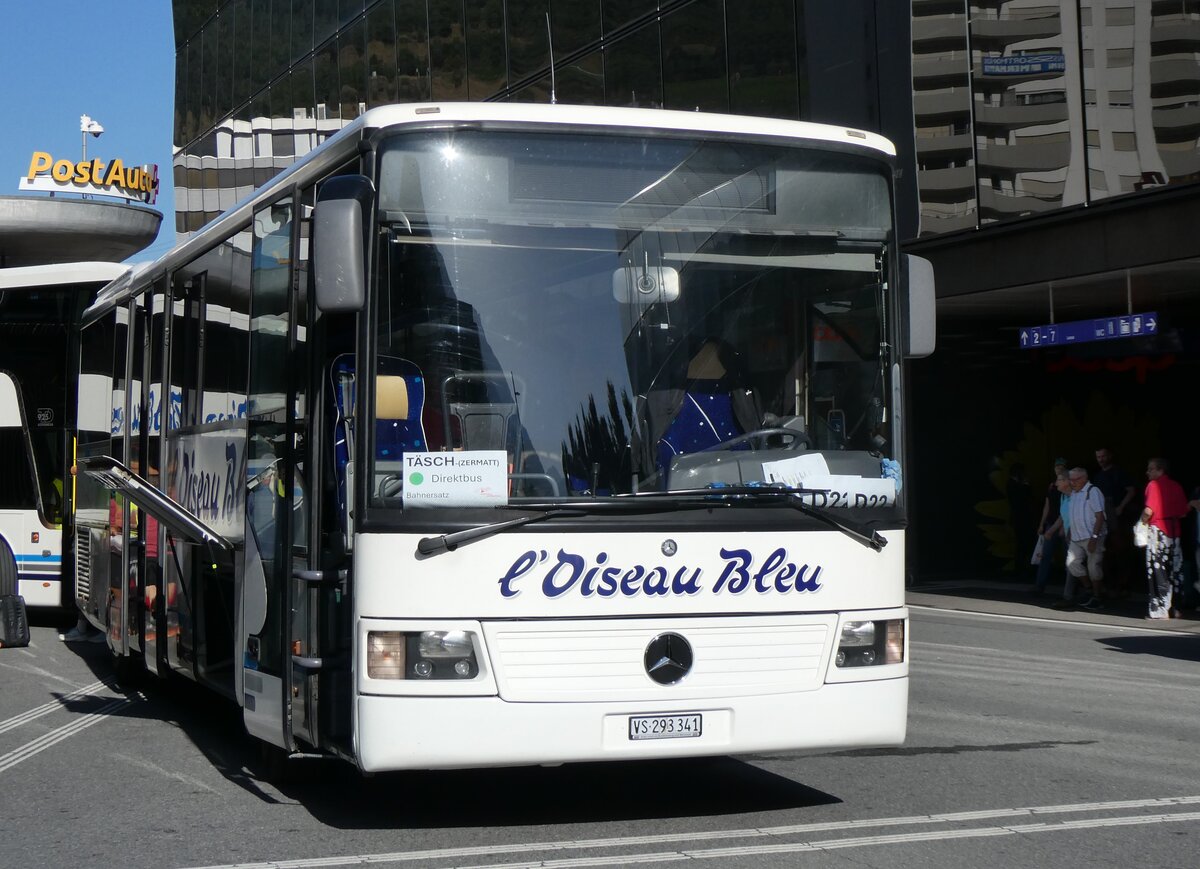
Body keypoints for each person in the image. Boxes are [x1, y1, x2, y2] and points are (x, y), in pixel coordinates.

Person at [1138, 457, 1188, 619]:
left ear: (1160, 470)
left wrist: (1141, 523)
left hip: (1158, 532)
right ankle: (1175, 607)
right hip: (1174, 532)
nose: (1148, 472)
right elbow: (1183, 512)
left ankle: (1160, 609)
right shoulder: (1176, 486)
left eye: (1151, 469)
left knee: (1157, 569)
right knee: (1174, 570)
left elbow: (1148, 511)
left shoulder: (1154, 485)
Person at [1060, 466, 1107, 610]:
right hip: (1076, 537)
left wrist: (1094, 538)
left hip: (1091, 536)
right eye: (1071, 479)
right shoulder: (1074, 493)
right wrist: (1069, 533)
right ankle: (1089, 589)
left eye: (1075, 479)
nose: (1072, 482)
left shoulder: (1093, 491)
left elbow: (1100, 516)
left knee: (1094, 567)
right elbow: (1074, 515)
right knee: (1072, 564)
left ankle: (1097, 597)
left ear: (1084, 478)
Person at [1093, 447, 1136, 597]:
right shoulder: (1098, 476)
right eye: (1098, 457)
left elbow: (1131, 490)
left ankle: (1124, 585)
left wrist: (1121, 507)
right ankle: (1109, 585)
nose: (1101, 459)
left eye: (1103, 456)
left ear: (1110, 456)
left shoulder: (1119, 473)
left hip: (1117, 516)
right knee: (1106, 552)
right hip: (1103, 516)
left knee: (1121, 551)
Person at [1035, 468, 1071, 597]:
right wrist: (1046, 527)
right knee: (1045, 556)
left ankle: (1076, 591)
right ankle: (1040, 586)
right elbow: (1054, 510)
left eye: (1059, 480)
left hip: (1070, 531)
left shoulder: (1073, 495)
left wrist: (1062, 529)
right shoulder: (1059, 494)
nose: (1056, 483)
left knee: (1072, 561)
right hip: (1055, 525)